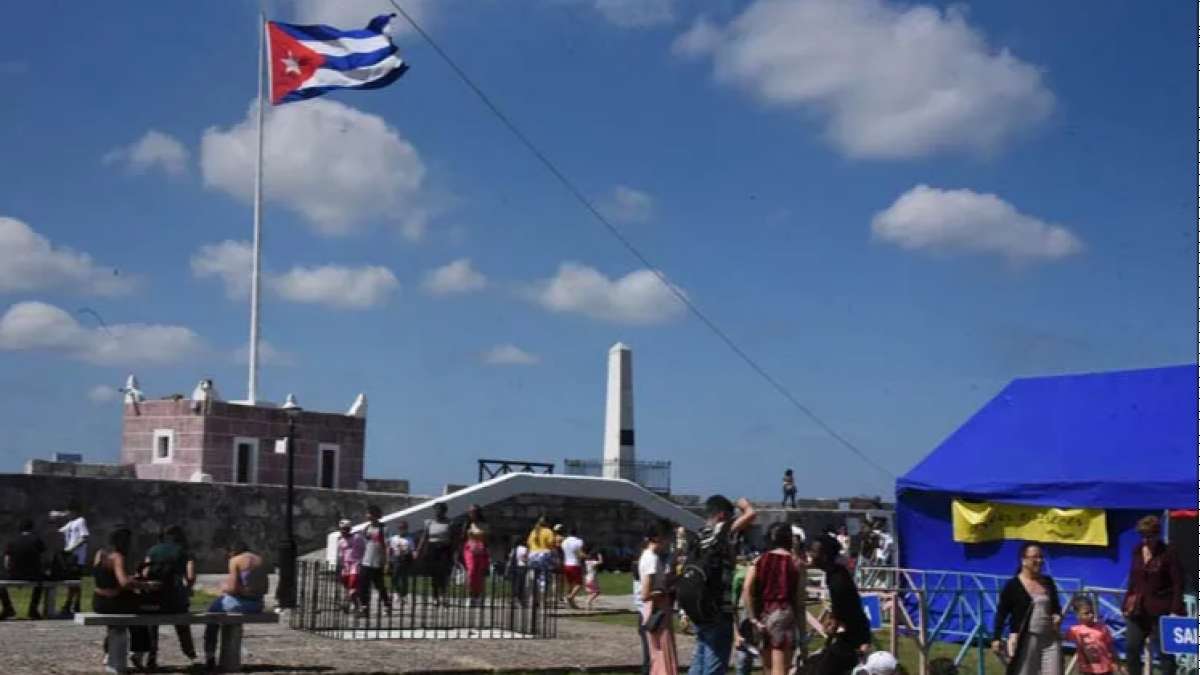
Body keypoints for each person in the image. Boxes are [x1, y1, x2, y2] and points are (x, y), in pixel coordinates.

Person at [687, 495, 758, 675]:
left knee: (700, 656)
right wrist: (744, 504)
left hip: (698, 606)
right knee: (715, 662)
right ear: (721, 515)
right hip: (717, 608)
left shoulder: (700, 534)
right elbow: (751, 514)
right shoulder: (721, 530)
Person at [1122, 515, 1183, 675]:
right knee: (1131, 648)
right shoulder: (1137, 550)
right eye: (1142, 536)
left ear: (1157, 534)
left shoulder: (1168, 552)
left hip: (1161, 609)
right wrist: (1126, 603)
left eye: (1149, 536)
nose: (1145, 540)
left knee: (1165, 654)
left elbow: (1177, 583)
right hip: (1137, 610)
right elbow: (1133, 579)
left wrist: (1175, 610)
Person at [744, 522, 805, 675]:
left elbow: (747, 589)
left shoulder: (758, 561)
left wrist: (752, 618)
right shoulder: (796, 563)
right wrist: (802, 635)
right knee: (781, 669)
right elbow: (799, 601)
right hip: (784, 614)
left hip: (763, 614)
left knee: (767, 667)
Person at [93, 527, 158, 671]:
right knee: (144, 613)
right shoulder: (118, 557)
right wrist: (147, 585)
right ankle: (138, 651)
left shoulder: (100, 553)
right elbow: (124, 583)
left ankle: (108, 652)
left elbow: (106, 578)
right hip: (113, 602)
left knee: (119, 621)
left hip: (99, 601)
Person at [992, 543, 1062, 675]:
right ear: (1023, 560)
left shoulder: (1048, 582)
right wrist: (996, 638)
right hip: (1026, 638)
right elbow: (1001, 613)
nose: (1040, 561)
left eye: (1041, 557)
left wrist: (1057, 615)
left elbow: (1056, 607)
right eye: (1035, 557)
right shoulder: (1012, 585)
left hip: (1050, 638)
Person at [811, 533, 871, 675]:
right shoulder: (835, 573)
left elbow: (845, 609)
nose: (811, 554)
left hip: (853, 638)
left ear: (824, 556)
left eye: (814, 551)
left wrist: (834, 622)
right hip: (849, 635)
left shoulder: (837, 579)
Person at [203, 539, 268, 670]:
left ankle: (210, 655)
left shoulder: (235, 560)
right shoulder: (260, 560)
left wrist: (224, 587)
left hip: (239, 604)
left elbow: (232, 588)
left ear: (233, 552)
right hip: (257, 605)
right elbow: (265, 589)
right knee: (223, 609)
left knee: (211, 613)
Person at [143, 525, 197, 667]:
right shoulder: (184, 552)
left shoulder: (152, 550)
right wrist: (188, 589)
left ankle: (151, 653)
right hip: (174, 601)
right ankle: (189, 651)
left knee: (151, 621)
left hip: (154, 599)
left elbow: (144, 574)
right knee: (182, 619)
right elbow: (190, 576)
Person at [638, 522, 678, 675]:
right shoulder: (651, 559)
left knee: (659, 652)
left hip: (658, 607)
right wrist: (664, 591)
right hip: (657, 608)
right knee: (662, 651)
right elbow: (646, 594)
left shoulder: (650, 557)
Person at [0, 518, 46, 620]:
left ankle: (7, 607)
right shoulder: (37, 540)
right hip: (32, 574)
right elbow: (42, 558)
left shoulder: (12, 541)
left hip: (14, 574)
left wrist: (10, 571)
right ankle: (33, 609)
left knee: (1, 583)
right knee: (41, 582)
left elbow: (6, 561)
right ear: (32, 528)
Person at [1065, 595, 1123, 675]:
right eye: (1086, 613)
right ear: (1077, 615)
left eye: (1092, 612)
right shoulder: (1074, 630)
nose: (1091, 615)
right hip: (1087, 670)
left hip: (1105, 670)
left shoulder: (1102, 628)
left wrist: (1117, 663)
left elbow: (1111, 647)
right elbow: (1060, 637)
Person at [416, 502, 454, 605]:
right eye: (436, 510)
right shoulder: (429, 523)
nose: (438, 512)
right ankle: (435, 596)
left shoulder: (449, 522)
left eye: (440, 510)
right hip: (432, 549)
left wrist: (453, 550)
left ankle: (444, 595)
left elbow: (453, 538)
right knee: (434, 574)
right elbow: (424, 537)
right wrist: (418, 550)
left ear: (444, 511)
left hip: (444, 549)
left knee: (443, 573)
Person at [357, 504, 391, 617]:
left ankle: (386, 604)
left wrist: (386, 562)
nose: (367, 515)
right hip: (366, 561)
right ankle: (364, 607)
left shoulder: (383, 529)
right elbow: (363, 545)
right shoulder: (366, 528)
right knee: (363, 585)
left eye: (370, 513)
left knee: (380, 586)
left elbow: (386, 546)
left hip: (377, 562)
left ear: (375, 515)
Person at [57, 500, 89, 616]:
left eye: (69, 511)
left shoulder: (81, 521)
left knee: (75, 582)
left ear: (74, 511)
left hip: (77, 557)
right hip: (70, 556)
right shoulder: (71, 523)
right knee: (71, 582)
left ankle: (75, 604)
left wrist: (72, 548)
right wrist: (59, 516)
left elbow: (84, 537)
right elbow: (60, 531)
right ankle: (70, 604)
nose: (68, 513)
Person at [731, 554, 759, 675]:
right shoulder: (740, 577)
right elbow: (732, 607)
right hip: (746, 615)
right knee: (743, 657)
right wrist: (736, 634)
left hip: (763, 613)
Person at [462, 504, 490, 605]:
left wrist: (486, 553)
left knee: (480, 574)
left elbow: (487, 540)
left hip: (481, 550)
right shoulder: (467, 524)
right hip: (469, 549)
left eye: (474, 511)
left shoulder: (484, 525)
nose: (472, 513)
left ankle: (478, 596)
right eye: (470, 512)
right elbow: (462, 538)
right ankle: (470, 595)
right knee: (471, 572)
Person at [335, 519, 364, 612]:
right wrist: (340, 565)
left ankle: (348, 603)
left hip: (356, 564)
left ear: (349, 529)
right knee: (347, 585)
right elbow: (340, 554)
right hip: (346, 565)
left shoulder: (357, 538)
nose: (343, 531)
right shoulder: (341, 541)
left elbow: (363, 550)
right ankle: (355, 603)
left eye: (345, 529)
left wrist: (361, 562)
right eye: (342, 529)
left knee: (352, 584)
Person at [526, 514, 556, 592]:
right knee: (543, 577)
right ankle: (542, 598)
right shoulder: (549, 531)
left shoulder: (533, 532)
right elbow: (551, 544)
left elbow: (529, 544)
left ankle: (532, 597)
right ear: (547, 523)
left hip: (532, 555)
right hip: (543, 555)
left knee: (533, 577)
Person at [388, 520, 415, 608]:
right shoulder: (394, 538)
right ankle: (398, 593)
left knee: (404, 579)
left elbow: (412, 550)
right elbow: (390, 549)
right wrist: (389, 559)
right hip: (396, 559)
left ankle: (404, 595)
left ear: (406, 529)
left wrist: (414, 555)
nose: (401, 529)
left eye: (403, 528)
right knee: (394, 577)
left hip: (405, 559)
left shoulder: (409, 539)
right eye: (400, 528)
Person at [561, 527, 585, 609]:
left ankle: (571, 603)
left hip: (566, 564)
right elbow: (580, 553)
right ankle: (570, 597)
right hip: (575, 564)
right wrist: (587, 556)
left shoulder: (564, 542)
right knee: (579, 584)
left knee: (570, 584)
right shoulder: (578, 541)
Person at [506, 535, 529, 607]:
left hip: (515, 568)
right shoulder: (525, 549)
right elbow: (527, 558)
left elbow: (510, 559)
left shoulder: (514, 549)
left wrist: (508, 569)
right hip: (523, 568)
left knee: (515, 584)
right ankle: (521, 600)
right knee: (522, 585)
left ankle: (514, 599)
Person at [583, 545, 603, 611]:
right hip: (592, 578)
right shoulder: (593, 562)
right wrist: (600, 556)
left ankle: (588, 605)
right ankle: (588, 601)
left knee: (590, 592)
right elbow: (601, 562)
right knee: (597, 592)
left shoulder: (586, 562)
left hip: (587, 578)